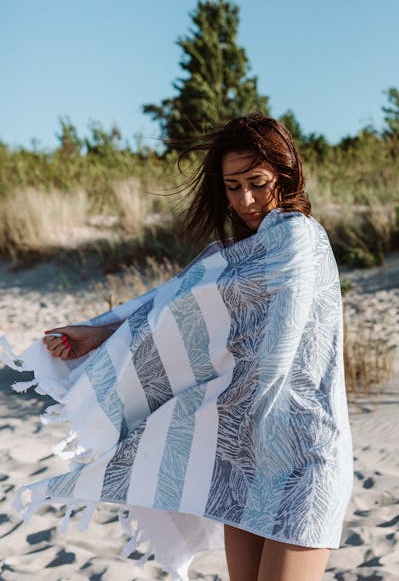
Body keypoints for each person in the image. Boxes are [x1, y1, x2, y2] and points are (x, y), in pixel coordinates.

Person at [34, 114, 353, 581]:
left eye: (257, 182)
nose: (245, 199)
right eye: (232, 185)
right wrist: (105, 334)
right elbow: (181, 305)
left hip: (306, 457)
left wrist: (116, 340)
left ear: (285, 174)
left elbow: (221, 327)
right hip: (246, 453)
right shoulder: (238, 254)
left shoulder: (298, 238)